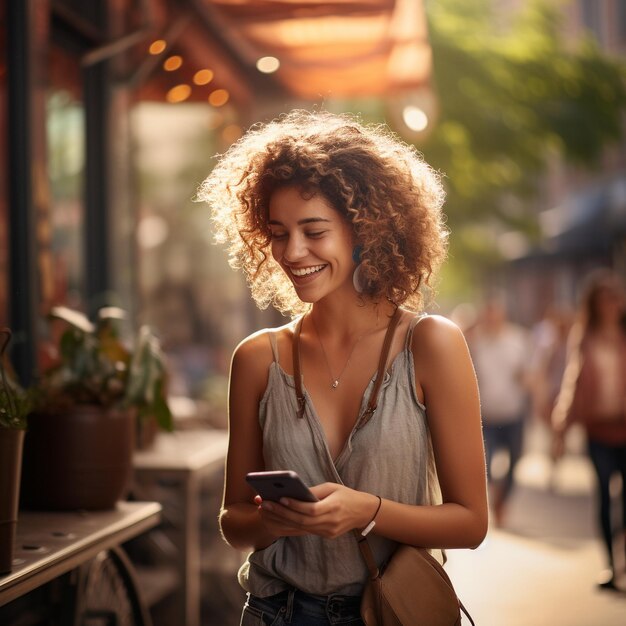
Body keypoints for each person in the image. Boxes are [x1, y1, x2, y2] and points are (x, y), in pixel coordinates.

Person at [198, 110, 488, 625]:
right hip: (274, 612)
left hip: (390, 612)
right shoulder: (257, 358)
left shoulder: (430, 344)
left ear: (364, 230)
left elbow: (470, 524)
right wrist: (278, 520)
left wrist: (367, 511)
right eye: (278, 232)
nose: (293, 251)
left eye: (314, 231)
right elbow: (234, 522)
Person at [552, 269, 626, 591]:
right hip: (598, 431)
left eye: (615, 297)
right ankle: (611, 566)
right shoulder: (584, 338)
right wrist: (561, 426)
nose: (611, 303)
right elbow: (573, 382)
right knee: (605, 498)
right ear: (594, 304)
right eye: (604, 298)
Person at [468, 297, 531, 526]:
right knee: (487, 463)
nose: (492, 319)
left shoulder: (518, 339)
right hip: (487, 415)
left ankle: (503, 500)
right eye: (489, 314)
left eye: (496, 314)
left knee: (515, 461)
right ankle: (496, 497)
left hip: (514, 412)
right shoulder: (475, 343)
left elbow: (528, 373)